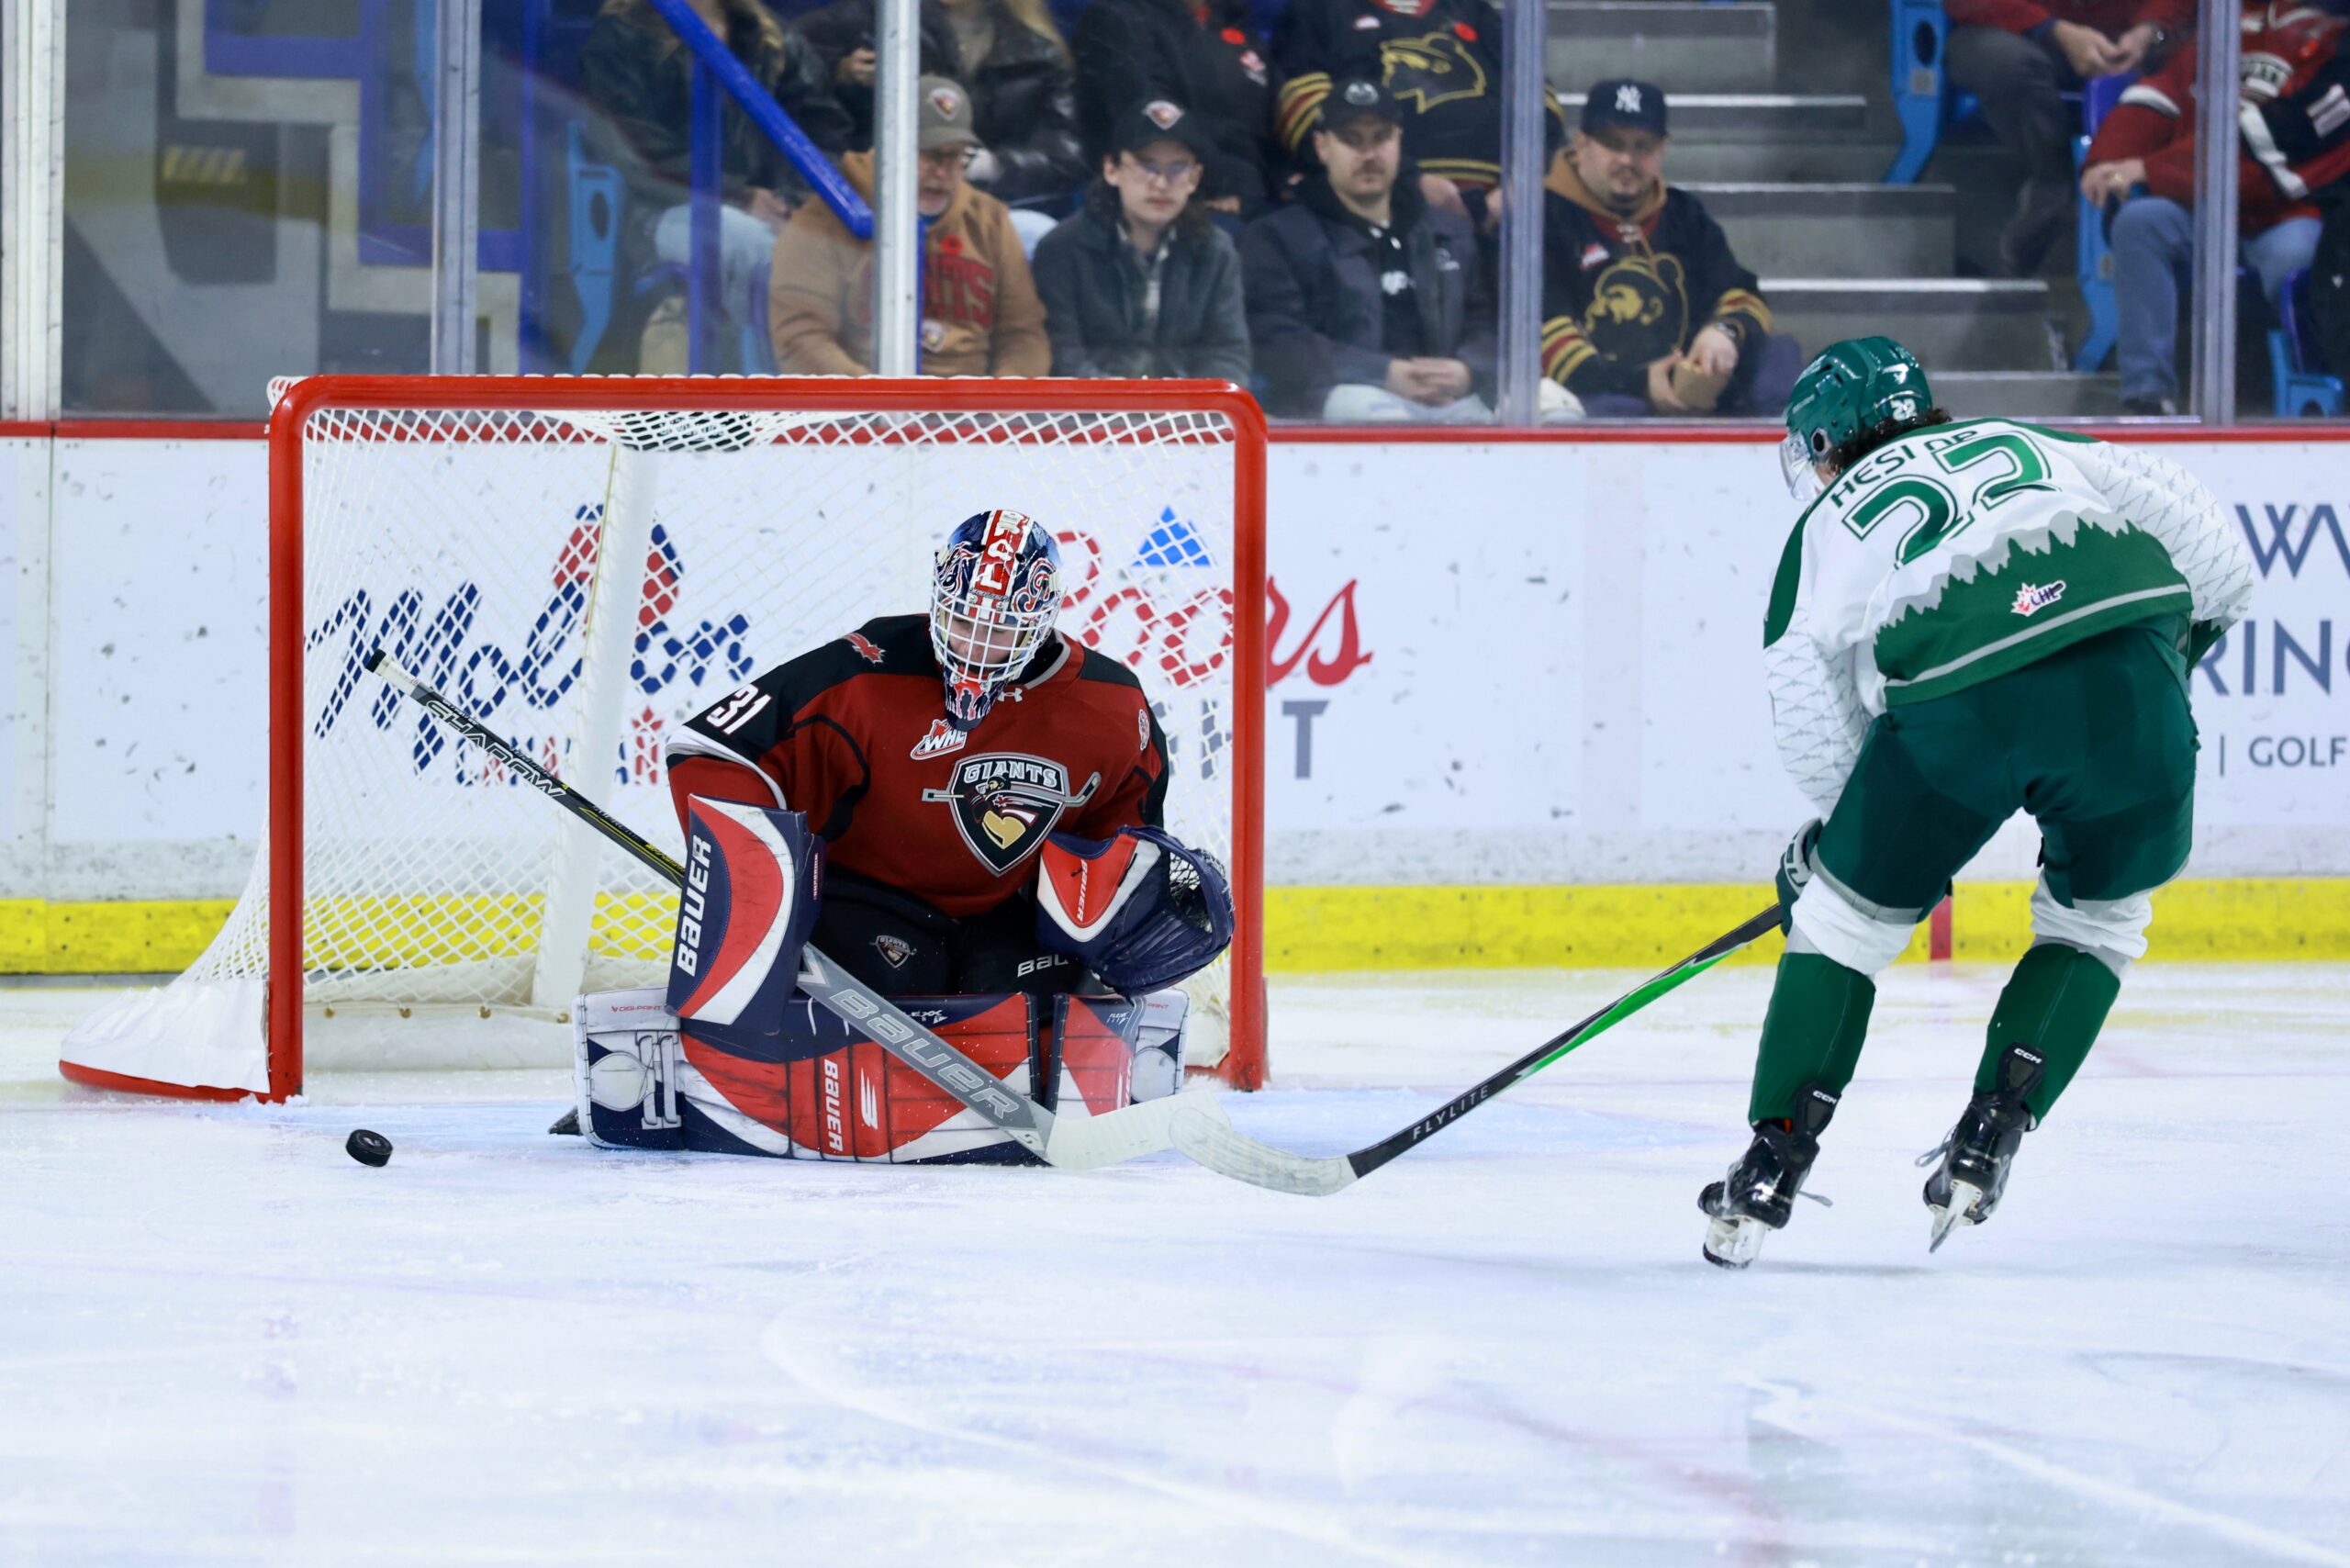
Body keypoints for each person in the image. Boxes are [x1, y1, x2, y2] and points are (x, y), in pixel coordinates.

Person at [1700, 337, 2254, 1270]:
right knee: (2099, 924)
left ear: (1823, 444)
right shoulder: (2030, 440)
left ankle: (1770, 1165)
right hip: (2133, 668)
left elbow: (1810, 716)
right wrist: (2152, 674)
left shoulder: (1823, 524)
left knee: (1844, 928)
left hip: (1961, 697)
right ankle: (1991, 1131)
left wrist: (1847, 853)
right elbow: (2220, 557)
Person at [664, 509, 1176, 999]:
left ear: (1041, 623)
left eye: (999, 629)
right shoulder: (870, 666)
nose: (974, 646)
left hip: (1005, 912)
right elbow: (715, 750)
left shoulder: (1112, 703)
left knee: (1031, 1005)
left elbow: (1125, 829)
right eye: (962, 621)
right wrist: (752, 873)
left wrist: (1125, 911)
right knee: (901, 988)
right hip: (868, 898)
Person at [2080, 5, 2350, 413]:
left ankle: (2309, 382)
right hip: (2201, 204)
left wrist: (2154, 169)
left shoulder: (2329, 42)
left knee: (2296, 263)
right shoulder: (2220, 33)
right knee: (2140, 224)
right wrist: (2108, 159)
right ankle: (2148, 393)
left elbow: (2277, 140)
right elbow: (2158, 95)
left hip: (2287, 210)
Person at [577, 0, 853, 362]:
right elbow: (637, 152)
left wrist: (793, 202)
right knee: (753, 246)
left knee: (843, 253)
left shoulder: (769, 36)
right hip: (658, 210)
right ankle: (760, 373)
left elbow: (823, 135)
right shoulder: (622, 33)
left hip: (773, 207)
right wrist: (738, 195)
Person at [1239, 77, 1496, 421]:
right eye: (1351, 140)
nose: (1369, 155)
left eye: (1381, 138)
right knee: (1375, 415)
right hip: (1334, 406)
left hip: (1450, 399)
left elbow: (1488, 323)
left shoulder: (1450, 233)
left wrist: (1467, 370)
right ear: (1322, 147)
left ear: (1399, 141)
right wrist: (1382, 373)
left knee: (1546, 404)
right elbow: (1276, 343)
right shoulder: (1277, 237)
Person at [1539, 80, 1800, 418]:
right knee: (1608, 407)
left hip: (1691, 386)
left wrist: (1724, 332)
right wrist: (1642, 384)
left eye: (1643, 146)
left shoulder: (1684, 214)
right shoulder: (1544, 217)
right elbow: (1549, 342)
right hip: (1603, 396)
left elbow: (1742, 293)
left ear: (1662, 148)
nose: (1627, 159)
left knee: (1780, 355)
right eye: (1612, 144)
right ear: (1581, 143)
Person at [767, 75, 1049, 376]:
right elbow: (800, 335)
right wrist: (877, 396)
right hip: (863, 397)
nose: (942, 172)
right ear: (889, 146)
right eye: (928, 155)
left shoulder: (989, 220)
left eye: (956, 156)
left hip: (971, 399)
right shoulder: (827, 215)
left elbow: (1023, 335)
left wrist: (1000, 395)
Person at [1944, 0, 2189, 276]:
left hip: (2127, 42)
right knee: (2004, 61)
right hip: (2011, 29)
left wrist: (2150, 30)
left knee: (2189, 62)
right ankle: (2053, 183)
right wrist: (2052, 30)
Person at [792, 0, 1088, 228]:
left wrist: (992, 166)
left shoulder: (1040, 53)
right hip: (877, 202)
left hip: (991, 214)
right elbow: (793, 82)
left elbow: (1067, 156)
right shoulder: (869, 20)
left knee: (1033, 231)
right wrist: (839, 74)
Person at [1031, 100, 1253, 380]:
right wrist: (1122, 402)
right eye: (1146, 167)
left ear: (1195, 178)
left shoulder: (1215, 251)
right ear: (1111, 169)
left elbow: (1228, 352)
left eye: (1178, 169)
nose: (1161, 184)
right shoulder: (1063, 249)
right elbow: (1063, 355)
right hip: (1091, 404)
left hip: (1187, 404)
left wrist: (1195, 402)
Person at [1270, 0, 1526, 230]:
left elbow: (1536, 102)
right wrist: (1408, 180)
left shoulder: (1475, 11)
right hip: (1377, 208)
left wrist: (1521, 184)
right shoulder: (1318, 11)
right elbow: (1304, 114)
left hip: (1505, 212)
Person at [1071, 0, 1282, 218]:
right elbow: (1154, 122)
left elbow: (1275, 111)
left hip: (1248, 187)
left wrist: (1287, 174)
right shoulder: (1117, 19)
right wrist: (1228, 181)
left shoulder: (1233, 19)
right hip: (1161, 195)